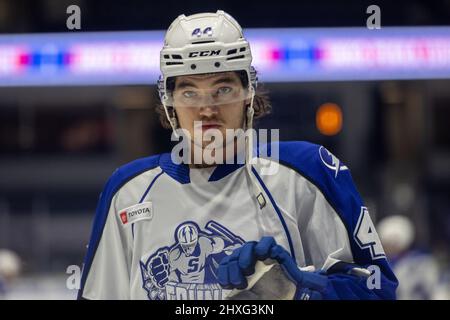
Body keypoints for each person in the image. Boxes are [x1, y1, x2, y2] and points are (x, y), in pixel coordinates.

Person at [77, 10, 398, 300]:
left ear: (248, 94)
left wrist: (298, 291)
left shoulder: (307, 173)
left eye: (223, 89)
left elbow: (379, 292)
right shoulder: (127, 192)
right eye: (189, 92)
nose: (207, 108)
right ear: (169, 102)